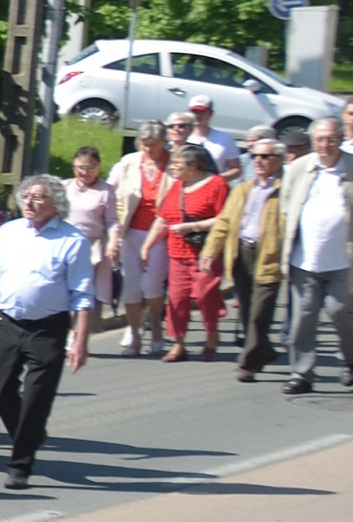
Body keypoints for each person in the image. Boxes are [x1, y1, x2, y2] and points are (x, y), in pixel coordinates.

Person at [0, 173, 96, 489]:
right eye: (26, 196)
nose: (29, 202)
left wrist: (80, 340)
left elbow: (82, 295)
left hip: (48, 329)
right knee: (0, 390)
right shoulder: (8, 233)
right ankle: (32, 433)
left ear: (56, 204)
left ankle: (20, 463)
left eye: (38, 197)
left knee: (37, 397)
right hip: (8, 323)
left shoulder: (72, 240)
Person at [278, 114, 353, 395]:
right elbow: (287, 208)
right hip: (305, 260)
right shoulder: (300, 168)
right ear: (313, 141)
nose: (325, 145)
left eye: (331, 139)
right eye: (320, 140)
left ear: (341, 139)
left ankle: (350, 360)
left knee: (341, 313)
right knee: (303, 318)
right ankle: (301, 373)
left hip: (344, 260)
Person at [207, 133, 292, 383]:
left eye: (266, 156)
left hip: (270, 255)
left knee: (259, 313)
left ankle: (248, 363)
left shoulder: (286, 191)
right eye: (254, 155)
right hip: (242, 252)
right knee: (246, 312)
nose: (259, 160)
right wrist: (211, 250)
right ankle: (264, 350)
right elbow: (224, 222)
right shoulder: (243, 189)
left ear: (280, 159)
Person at [157, 143, 230, 361]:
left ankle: (212, 335)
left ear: (193, 166)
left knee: (205, 295)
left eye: (178, 163)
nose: (173, 167)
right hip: (177, 252)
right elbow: (164, 218)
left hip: (204, 251)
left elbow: (223, 218)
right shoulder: (178, 186)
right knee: (177, 299)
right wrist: (146, 246)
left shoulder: (216, 184)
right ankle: (178, 344)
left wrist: (192, 227)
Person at [114, 124, 177, 357]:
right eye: (144, 144)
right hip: (131, 231)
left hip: (160, 233)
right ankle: (134, 334)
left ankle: (157, 329)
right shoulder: (130, 162)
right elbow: (110, 190)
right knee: (130, 287)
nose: (148, 149)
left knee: (151, 284)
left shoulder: (174, 163)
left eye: (153, 145)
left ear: (163, 142)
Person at [64, 146, 118, 320]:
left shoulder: (106, 191)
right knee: (63, 290)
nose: (85, 172)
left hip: (92, 249)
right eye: (80, 168)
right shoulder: (64, 186)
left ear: (98, 167)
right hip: (65, 246)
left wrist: (112, 244)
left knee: (86, 292)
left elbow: (112, 222)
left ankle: (80, 336)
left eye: (90, 168)